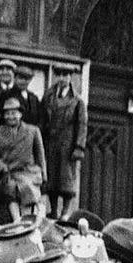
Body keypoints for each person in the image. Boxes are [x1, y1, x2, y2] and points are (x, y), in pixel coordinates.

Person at [0, 95, 46, 222]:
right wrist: (2, 169)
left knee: (28, 187)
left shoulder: (33, 131)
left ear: (20, 114)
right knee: (10, 187)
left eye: (14, 113)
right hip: (8, 172)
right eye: (7, 114)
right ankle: (17, 220)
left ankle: (30, 220)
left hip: (28, 171)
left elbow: (40, 156)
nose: (10, 117)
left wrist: (44, 175)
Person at [40, 66, 87, 221]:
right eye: (58, 75)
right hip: (51, 143)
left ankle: (65, 212)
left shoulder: (77, 100)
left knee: (66, 180)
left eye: (65, 75)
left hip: (67, 145)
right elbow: (42, 120)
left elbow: (82, 124)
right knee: (51, 178)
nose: (61, 78)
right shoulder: (48, 96)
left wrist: (79, 147)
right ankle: (53, 210)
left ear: (70, 78)